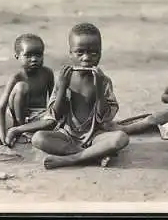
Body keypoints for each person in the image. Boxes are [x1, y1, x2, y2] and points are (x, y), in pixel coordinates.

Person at [31, 23, 129, 169]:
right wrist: (63, 86)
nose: (86, 58)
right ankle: (93, 156)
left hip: (96, 135)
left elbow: (105, 117)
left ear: (101, 53)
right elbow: (55, 115)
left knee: (121, 138)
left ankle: (70, 160)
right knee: (38, 138)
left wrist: (100, 88)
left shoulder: (103, 80)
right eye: (80, 52)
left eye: (94, 53)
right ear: (70, 53)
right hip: (67, 136)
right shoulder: (64, 78)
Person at [0, 33, 55, 147]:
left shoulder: (47, 73)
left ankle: (20, 130)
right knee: (22, 87)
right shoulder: (17, 76)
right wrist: (1, 134)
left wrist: (52, 116)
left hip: (38, 115)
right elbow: (1, 107)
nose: (34, 59)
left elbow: (53, 98)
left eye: (38, 55)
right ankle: (19, 128)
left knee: (53, 120)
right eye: (28, 56)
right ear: (17, 56)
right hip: (17, 116)